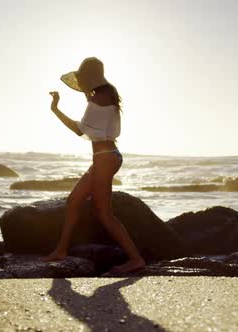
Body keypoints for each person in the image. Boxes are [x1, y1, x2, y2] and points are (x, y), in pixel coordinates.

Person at [41, 57, 146, 274]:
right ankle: (61, 250)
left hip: (105, 158)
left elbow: (80, 129)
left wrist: (55, 109)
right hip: (106, 157)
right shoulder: (106, 94)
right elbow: (94, 123)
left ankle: (136, 259)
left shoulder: (99, 97)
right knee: (74, 201)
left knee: (104, 214)